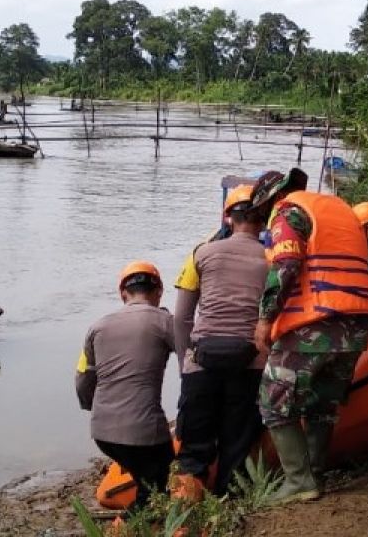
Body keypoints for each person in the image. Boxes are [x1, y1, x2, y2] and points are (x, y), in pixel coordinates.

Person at [251, 168, 368, 505]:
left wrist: (265, 319)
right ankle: (315, 472)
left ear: (273, 199)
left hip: (317, 321)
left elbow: (286, 264)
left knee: (273, 399)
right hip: (359, 322)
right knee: (322, 403)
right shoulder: (340, 210)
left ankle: (298, 481)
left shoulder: (287, 212)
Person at [172, 184, 270, 500]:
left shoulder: (201, 253)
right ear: (262, 220)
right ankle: (229, 508)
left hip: (202, 361)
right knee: (238, 444)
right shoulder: (271, 259)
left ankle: (186, 517)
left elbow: (182, 317)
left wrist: (183, 364)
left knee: (193, 452)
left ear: (228, 218)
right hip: (250, 362)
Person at [76, 261, 175, 514]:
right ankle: (136, 522)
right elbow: (194, 360)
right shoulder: (165, 322)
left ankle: (141, 511)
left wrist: (98, 409)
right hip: (144, 432)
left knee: (146, 479)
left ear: (123, 293)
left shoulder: (96, 327)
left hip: (102, 432)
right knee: (156, 483)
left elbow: (83, 381)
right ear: (159, 291)